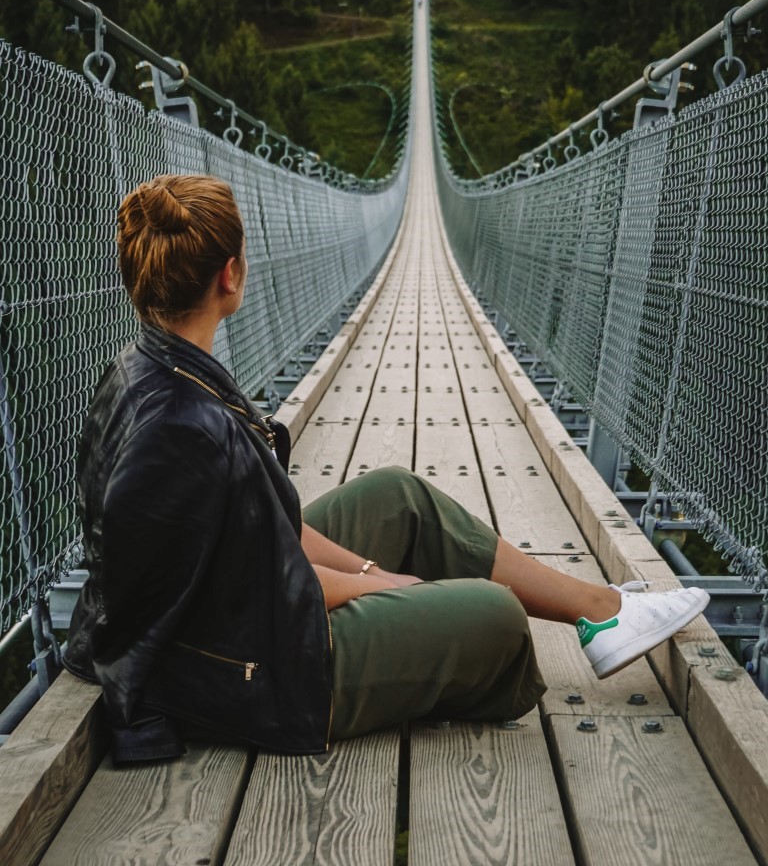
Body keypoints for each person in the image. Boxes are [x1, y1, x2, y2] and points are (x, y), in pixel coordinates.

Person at [64, 174, 710, 763]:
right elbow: (272, 582)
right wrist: (393, 589)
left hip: (222, 618)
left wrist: (372, 571)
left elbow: (264, 530)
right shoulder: (188, 427)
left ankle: (601, 613)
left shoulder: (145, 369)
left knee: (397, 496)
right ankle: (578, 614)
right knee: (497, 617)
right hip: (248, 672)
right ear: (231, 275)